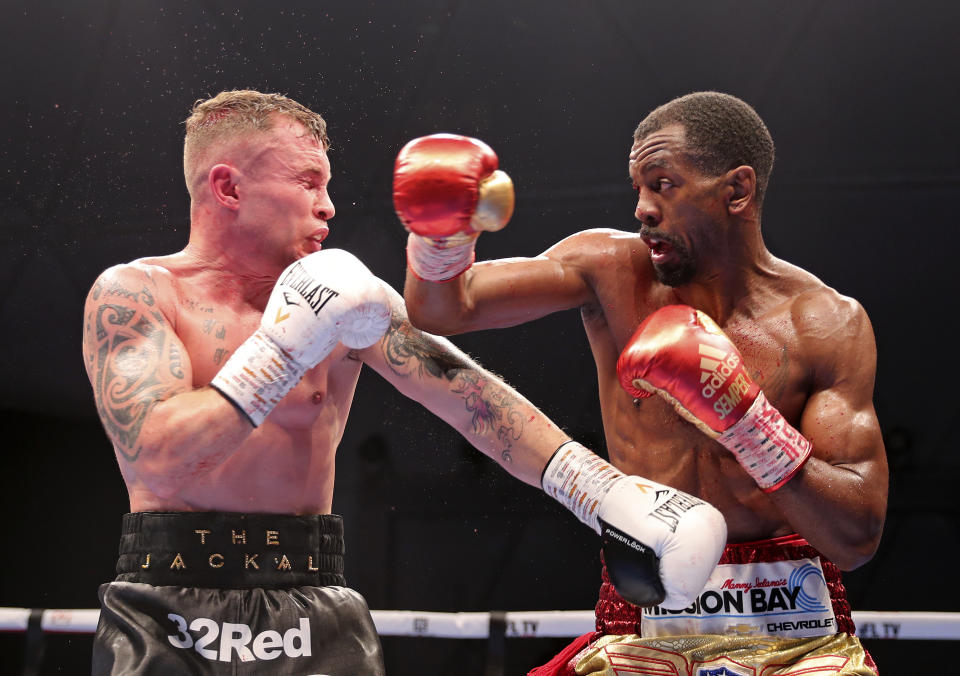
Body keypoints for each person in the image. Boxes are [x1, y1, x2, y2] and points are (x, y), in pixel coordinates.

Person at [81, 90, 727, 675]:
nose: (328, 204)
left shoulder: (346, 297)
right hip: (166, 606)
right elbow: (162, 459)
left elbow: (468, 397)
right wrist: (282, 346)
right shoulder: (137, 296)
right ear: (228, 189)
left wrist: (607, 495)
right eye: (307, 182)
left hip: (310, 601)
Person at [395, 91, 888, 674]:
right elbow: (447, 308)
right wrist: (438, 238)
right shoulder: (611, 269)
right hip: (642, 633)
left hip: (797, 635)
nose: (643, 208)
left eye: (663, 184)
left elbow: (856, 536)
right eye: (638, 188)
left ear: (737, 190)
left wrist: (745, 420)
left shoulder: (825, 323)